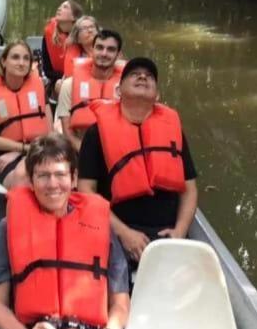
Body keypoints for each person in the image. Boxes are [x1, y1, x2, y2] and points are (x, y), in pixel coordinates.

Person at [0, 133, 130, 329]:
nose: (52, 184)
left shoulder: (102, 226)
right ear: (32, 182)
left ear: (73, 179)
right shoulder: (9, 226)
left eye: (60, 174)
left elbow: (120, 302)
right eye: (43, 176)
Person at [77, 57, 199, 269]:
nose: (143, 76)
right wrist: (123, 233)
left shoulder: (174, 130)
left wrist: (179, 231)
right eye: (134, 74)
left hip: (168, 233)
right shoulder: (96, 133)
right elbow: (86, 190)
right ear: (118, 91)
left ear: (157, 95)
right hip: (117, 231)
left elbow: (189, 189)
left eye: (149, 76)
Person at [0, 41, 52, 189]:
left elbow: (49, 132)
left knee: (55, 176)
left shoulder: (38, 87)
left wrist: (24, 152)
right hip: (3, 156)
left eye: (26, 58)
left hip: (41, 149)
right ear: (4, 61)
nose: (22, 63)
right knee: (22, 178)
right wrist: (22, 149)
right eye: (15, 57)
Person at [56, 30, 124, 152]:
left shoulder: (127, 88)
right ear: (92, 51)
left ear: (119, 55)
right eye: (99, 47)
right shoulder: (69, 85)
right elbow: (68, 133)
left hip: (117, 150)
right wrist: (89, 156)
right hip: (80, 148)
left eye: (111, 49)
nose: (104, 53)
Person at [41, 0, 83, 97]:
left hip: (80, 82)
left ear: (73, 17)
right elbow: (47, 70)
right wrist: (62, 80)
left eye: (65, 7)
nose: (59, 8)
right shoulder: (49, 35)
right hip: (58, 82)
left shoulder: (82, 38)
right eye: (60, 6)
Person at [61, 15, 100, 80]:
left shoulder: (109, 50)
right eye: (85, 28)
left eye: (92, 27)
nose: (90, 30)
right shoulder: (73, 52)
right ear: (77, 38)